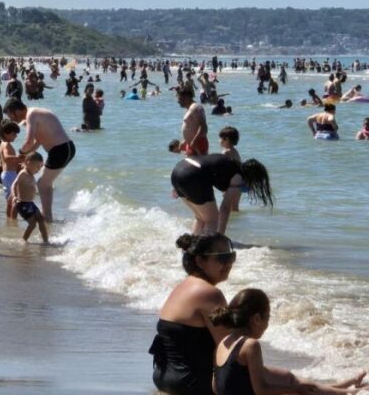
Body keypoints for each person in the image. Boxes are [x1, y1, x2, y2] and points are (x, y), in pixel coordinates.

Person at [211, 288, 367, 395]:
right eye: (268, 317)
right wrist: (295, 389)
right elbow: (260, 390)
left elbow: (215, 385)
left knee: (287, 379)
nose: (267, 324)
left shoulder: (223, 342)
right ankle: (350, 391)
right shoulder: (250, 345)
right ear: (257, 319)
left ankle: (345, 388)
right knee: (292, 386)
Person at [150, 233, 236, 395]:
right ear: (200, 261)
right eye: (223, 258)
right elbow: (230, 349)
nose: (229, 263)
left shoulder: (183, 287)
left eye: (232, 256)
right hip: (193, 383)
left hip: (164, 378)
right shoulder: (209, 293)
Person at [4, 97, 75, 222]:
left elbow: (29, 141)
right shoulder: (34, 114)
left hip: (61, 149)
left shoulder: (32, 115)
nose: (12, 120)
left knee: (43, 183)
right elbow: (37, 142)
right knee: (45, 183)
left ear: (16, 110)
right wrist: (26, 156)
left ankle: (47, 216)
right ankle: (47, 215)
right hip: (64, 148)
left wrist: (21, 152)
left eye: (11, 116)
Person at [170, 154, 272, 235]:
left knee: (201, 217)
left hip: (178, 171)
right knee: (212, 220)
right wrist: (221, 236)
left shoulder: (231, 164)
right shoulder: (238, 176)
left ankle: (192, 247)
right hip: (193, 176)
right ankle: (208, 251)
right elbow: (225, 208)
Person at [11, 152, 49, 243]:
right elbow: (14, 184)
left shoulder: (31, 174)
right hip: (22, 203)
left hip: (30, 203)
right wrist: (14, 196)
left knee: (41, 219)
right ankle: (23, 240)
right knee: (32, 224)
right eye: (37, 166)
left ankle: (46, 241)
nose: (38, 169)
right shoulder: (23, 173)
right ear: (28, 162)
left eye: (40, 166)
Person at [0, 121, 22, 218]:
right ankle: (13, 219)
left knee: (10, 198)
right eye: (14, 134)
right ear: (6, 133)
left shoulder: (3, 144)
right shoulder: (6, 145)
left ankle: (9, 218)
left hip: (7, 173)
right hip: (9, 174)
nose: (16, 136)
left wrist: (18, 163)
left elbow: (2, 161)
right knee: (15, 198)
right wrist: (20, 158)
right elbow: (7, 157)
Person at [178, 88, 209, 155]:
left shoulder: (196, 108)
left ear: (187, 97)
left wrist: (194, 141)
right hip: (191, 143)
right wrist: (185, 142)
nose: (178, 101)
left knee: (200, 165)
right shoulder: (189, 108)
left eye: (180, 99)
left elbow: (204, 128)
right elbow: (192, 128)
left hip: (197, 143)